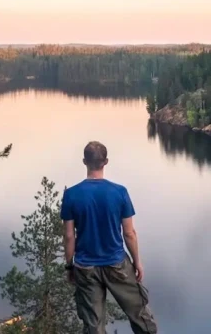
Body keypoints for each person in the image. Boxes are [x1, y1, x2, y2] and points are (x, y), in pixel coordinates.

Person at [61, 141, 158, 334]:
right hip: (116, 264)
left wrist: (70, 265)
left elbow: (69, 235)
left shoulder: (71, 195)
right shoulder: (119, 192)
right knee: (139, 315)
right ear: (105, 162)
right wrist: (137, 262)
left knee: (94, 326)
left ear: (84, 161)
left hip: (85, 266)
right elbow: (129, 233)